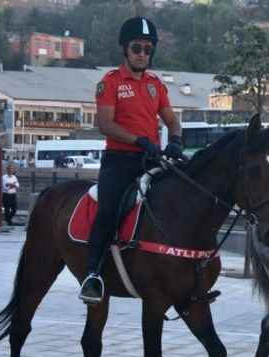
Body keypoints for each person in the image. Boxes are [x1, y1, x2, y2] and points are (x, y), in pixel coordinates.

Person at [79, 16, 185, 305]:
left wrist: (175, 140)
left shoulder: (155, 85)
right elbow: (105, 124)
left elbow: (172, 120)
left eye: (147, 49)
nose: (142, 54)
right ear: (125, 49)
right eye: (137, 48)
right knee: (109, 210)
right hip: (119, 161)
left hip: (150, 159)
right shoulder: (110, 82)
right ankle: (93, 275)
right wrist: (137, 140)